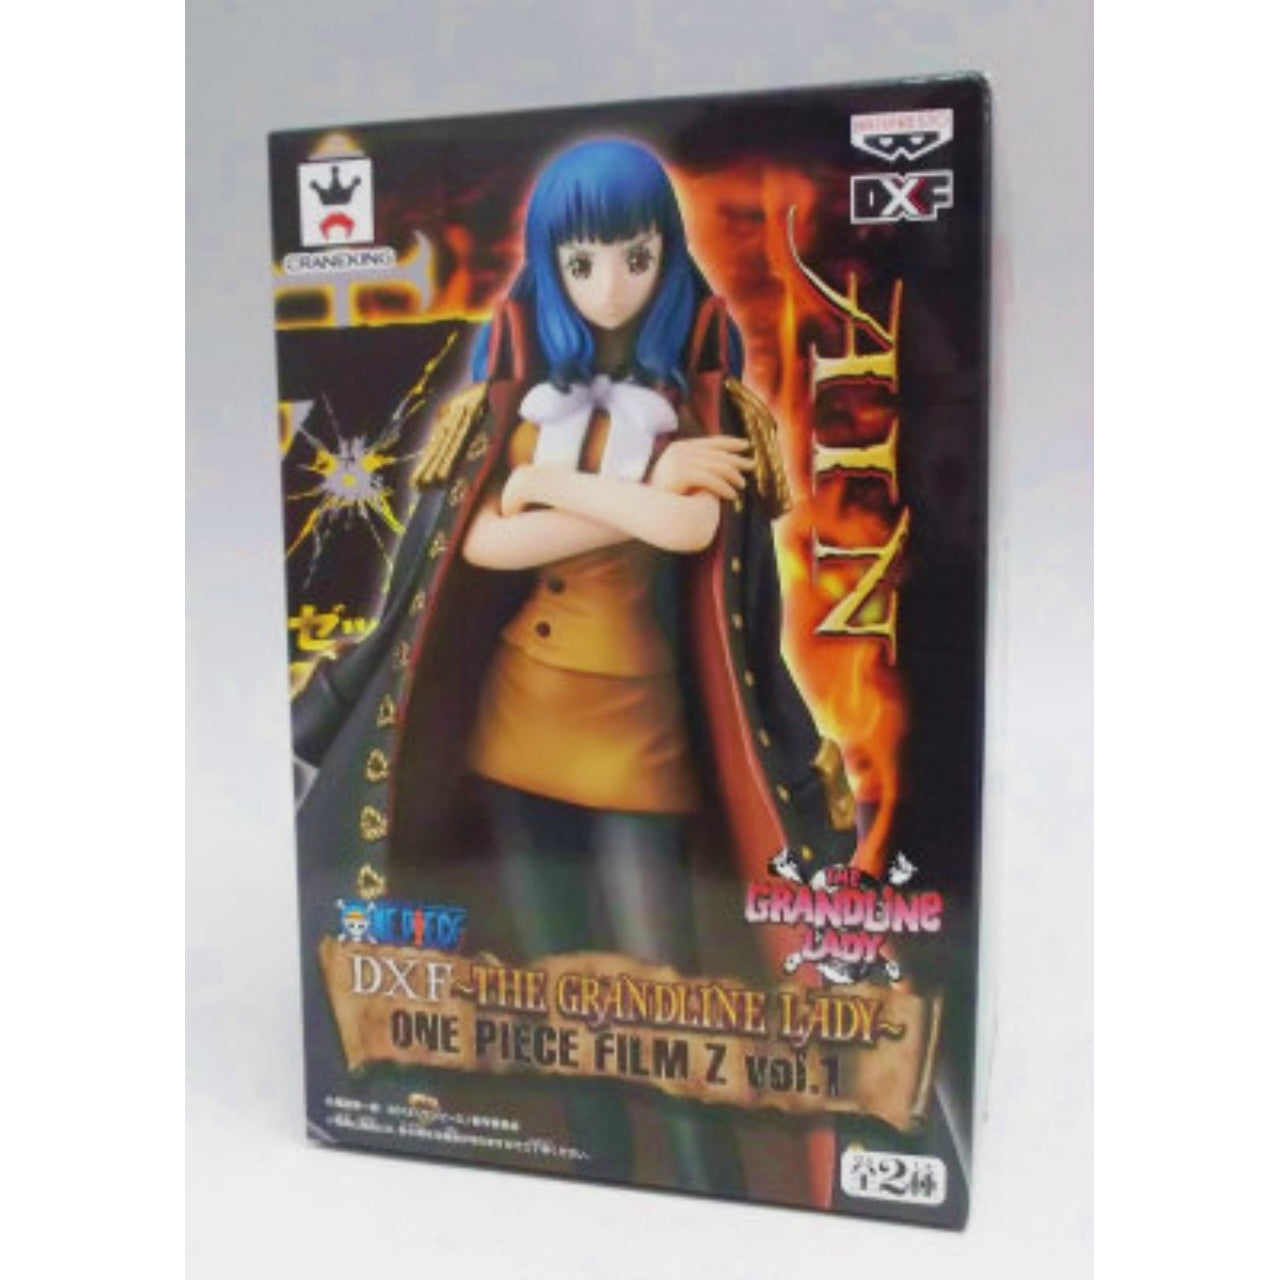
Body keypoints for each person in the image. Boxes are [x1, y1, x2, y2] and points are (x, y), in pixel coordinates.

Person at [293, 138, 858, 1203]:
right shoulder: (528, 405)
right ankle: (588, 1168)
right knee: (553, 993)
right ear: (550, 265)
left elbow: (690, 529)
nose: (608, 285)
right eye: (582, 261)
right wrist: (623, 487)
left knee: (666, 994)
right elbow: (486, 543)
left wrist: (555, 492)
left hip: (638, 745)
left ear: (666, 256)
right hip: (516, 730)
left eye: (635, 257)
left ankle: (706, 1181)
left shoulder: (702, 410)